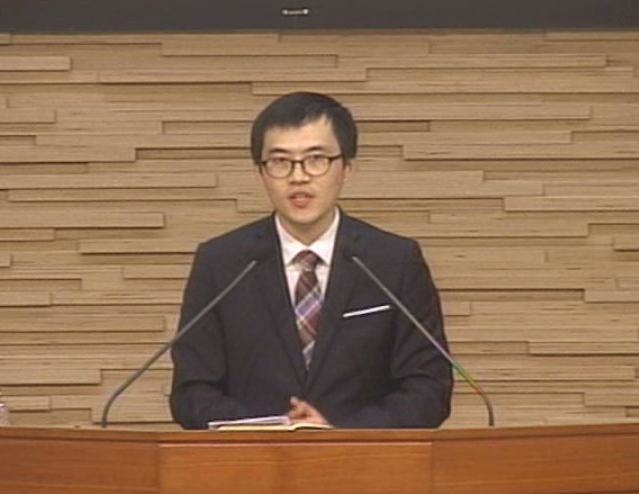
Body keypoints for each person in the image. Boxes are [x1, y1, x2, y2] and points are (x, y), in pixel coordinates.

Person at [170, 91, 453, 429]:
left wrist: (339, 433)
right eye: (280, 161)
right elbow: (191, 391)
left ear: (347, 168)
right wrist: (270, 430)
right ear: (261, 172)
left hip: (365, 458)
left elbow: (428, 388)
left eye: (316, 159)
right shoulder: (222, 264)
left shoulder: (394, 262)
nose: (299, 176)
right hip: (250, 457)